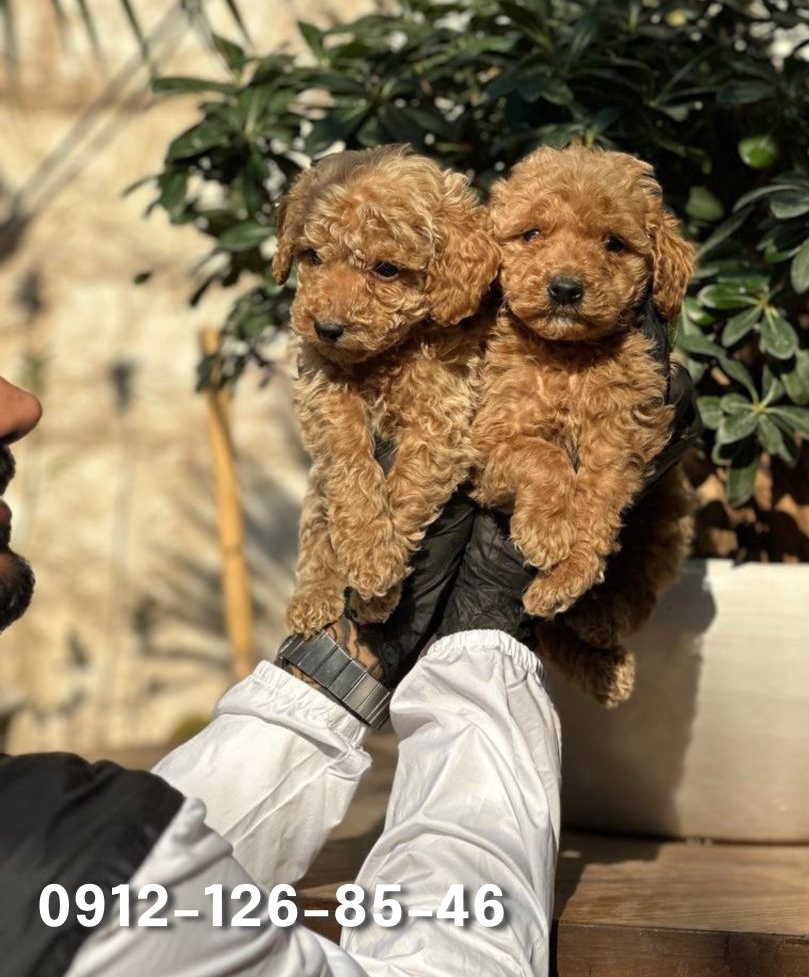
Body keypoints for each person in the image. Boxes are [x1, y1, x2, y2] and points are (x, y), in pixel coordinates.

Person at [0, 319, 699, 976]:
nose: (19, 406)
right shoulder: (51, 864)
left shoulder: (51, 851)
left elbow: (139, 890)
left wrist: (342, 666)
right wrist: (486, 637)